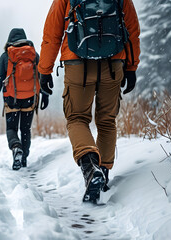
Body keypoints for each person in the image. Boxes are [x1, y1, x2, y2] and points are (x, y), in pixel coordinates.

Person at [38, 0, 140, 203]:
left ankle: (90, 167)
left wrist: (44, 70)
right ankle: (103, 173)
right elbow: (132, 30)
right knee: (107, 120)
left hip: (77, 61)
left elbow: (52, 33)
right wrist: (131, 67)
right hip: (113, 61)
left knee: (76, 118)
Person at [0, 28, 49, 171]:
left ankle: (16, 148)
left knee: (11, 128)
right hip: (29, 98)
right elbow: (42, 75)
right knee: (25, 129)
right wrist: (45, 95)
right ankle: (24, 159)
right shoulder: (34, 55)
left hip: (12, 99)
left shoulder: (6, 56)